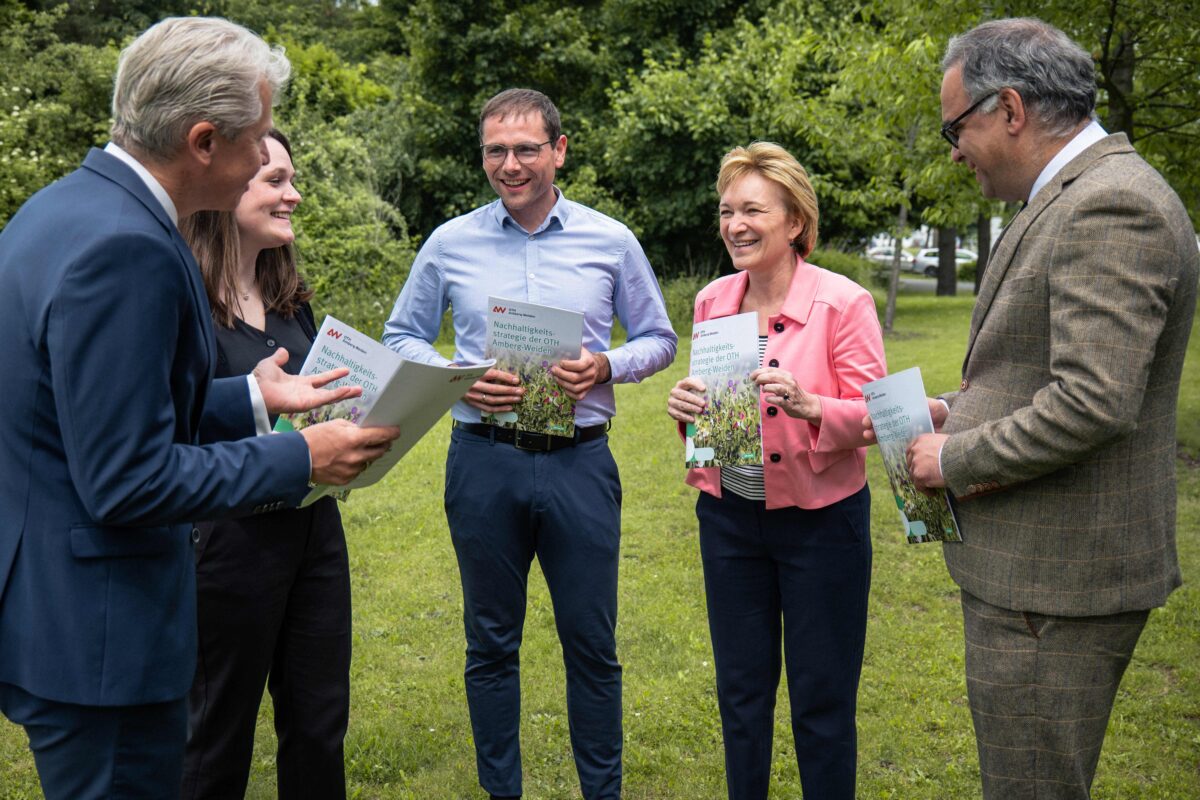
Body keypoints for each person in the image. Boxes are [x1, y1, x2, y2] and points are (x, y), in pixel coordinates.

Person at [0, 17, 399, 800]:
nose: (267, 158)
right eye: (258, 140)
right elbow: (125, 480)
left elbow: (94, 407)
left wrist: (251, 397)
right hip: (104, 641)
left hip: (54, 614)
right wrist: (298, 457)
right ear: (205, 140)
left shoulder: (61, 208)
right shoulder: (131, 248)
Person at [867, 17, 1198, 800]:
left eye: (957, 127)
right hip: (1037, 580)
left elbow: (1093, 400)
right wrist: (956, 408)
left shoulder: (1112, 205)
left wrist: (952, 458)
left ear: (1009, 109)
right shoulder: (1072, 197)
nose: (953, 150)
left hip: (1058, 586)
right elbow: (1036, 368)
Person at [383, 88, 677, 800]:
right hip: (484, 462)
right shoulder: (450, 242)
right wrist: (457, 380)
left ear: (559, 151)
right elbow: (401, 335)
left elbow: (660, 339)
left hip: (579, 464)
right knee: (489, 644)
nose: (509, 164)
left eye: (525, 149)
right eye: (495, 150)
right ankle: (500, 791)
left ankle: (601, 792)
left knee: (592, 647)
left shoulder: (611, 240)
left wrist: (606, 364)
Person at [666, 142, 886, 800]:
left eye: (752, 210)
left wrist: (813, 405)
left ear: (795, 221)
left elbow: (877, 416)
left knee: (821, 705)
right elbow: (712, 414)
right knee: (741, 697)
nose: (735, 224)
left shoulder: (844, 304)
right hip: (729, 520)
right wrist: (685, 412)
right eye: (726, 210)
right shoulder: (713, 300)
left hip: (822, 528)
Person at [177, 129, 352, 799]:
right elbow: (174, 428)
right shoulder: (183, 302)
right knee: (216, 737)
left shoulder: (290, 299)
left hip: (313, 532)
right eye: (275, 179)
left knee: (317, 725)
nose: (293, 194)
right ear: (228, 187)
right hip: (225, 542)